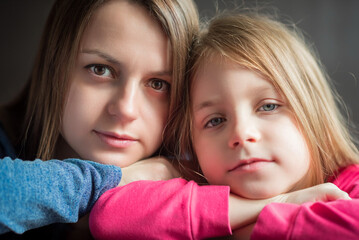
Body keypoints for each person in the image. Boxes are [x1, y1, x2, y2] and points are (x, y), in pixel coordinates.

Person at [89, 10, 359, 240]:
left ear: (313, 113)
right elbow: (110, 216)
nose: (241, 134)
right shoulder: (200, 188)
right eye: (215, 121)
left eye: (268, 106)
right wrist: (275, 204)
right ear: (193, 147)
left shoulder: (351, 183)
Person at [0, 0, 199, 237]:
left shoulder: (196, 184)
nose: (126, 109)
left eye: (159, 84)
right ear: (53, 65)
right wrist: (116, 181)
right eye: (100, 69)